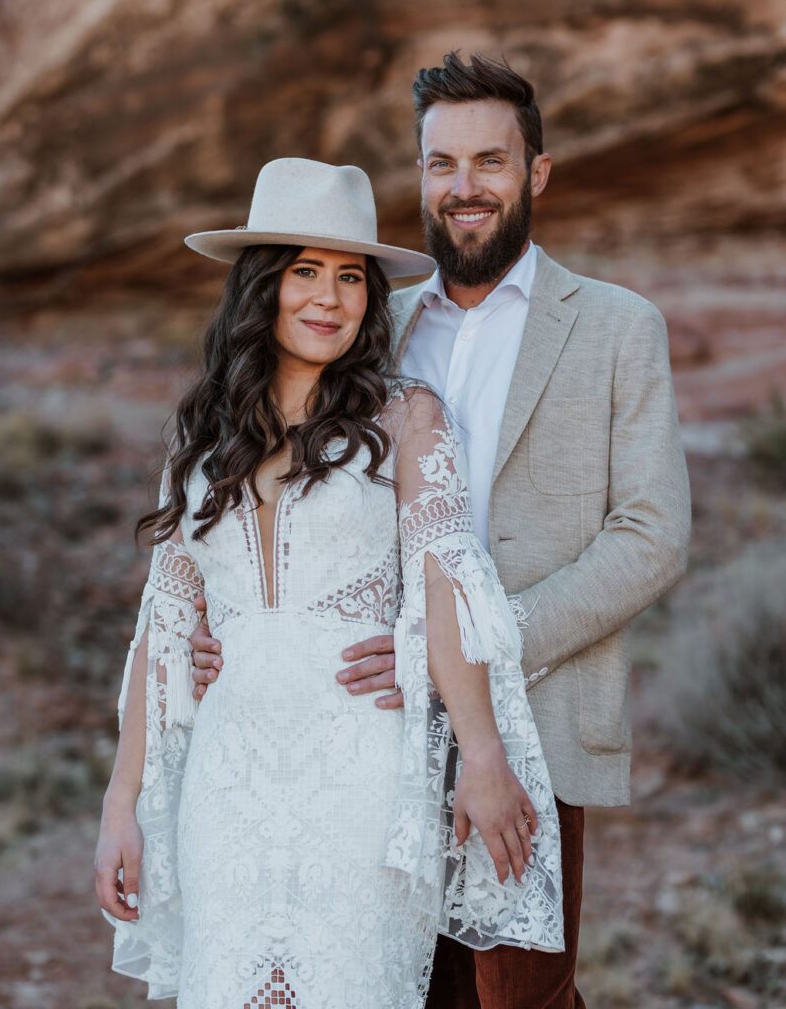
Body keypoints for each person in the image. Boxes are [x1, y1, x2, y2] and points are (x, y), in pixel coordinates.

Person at [191, 53, 692, 1008]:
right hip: (359, 731)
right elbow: (273, 495)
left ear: (534, 173)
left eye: (489, 163)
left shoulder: (618, 327)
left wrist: (468, 645)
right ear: (418, 176)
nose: (463, 188)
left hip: (529, 718)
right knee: (379, 983)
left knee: (519, 997)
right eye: (440, 165)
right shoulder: (368, 321)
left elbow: (652, 536)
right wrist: (242, 630)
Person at [94, 157, 564, 1009]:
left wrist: (483, 755)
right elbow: (160, 634)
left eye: (351, 277)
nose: (330, 297)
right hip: (224, 784)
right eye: (304, 272)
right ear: (261, 287)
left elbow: (444, 591)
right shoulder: (201, 439)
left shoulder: (405, 416)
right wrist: (120, 804)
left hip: (362, 775)